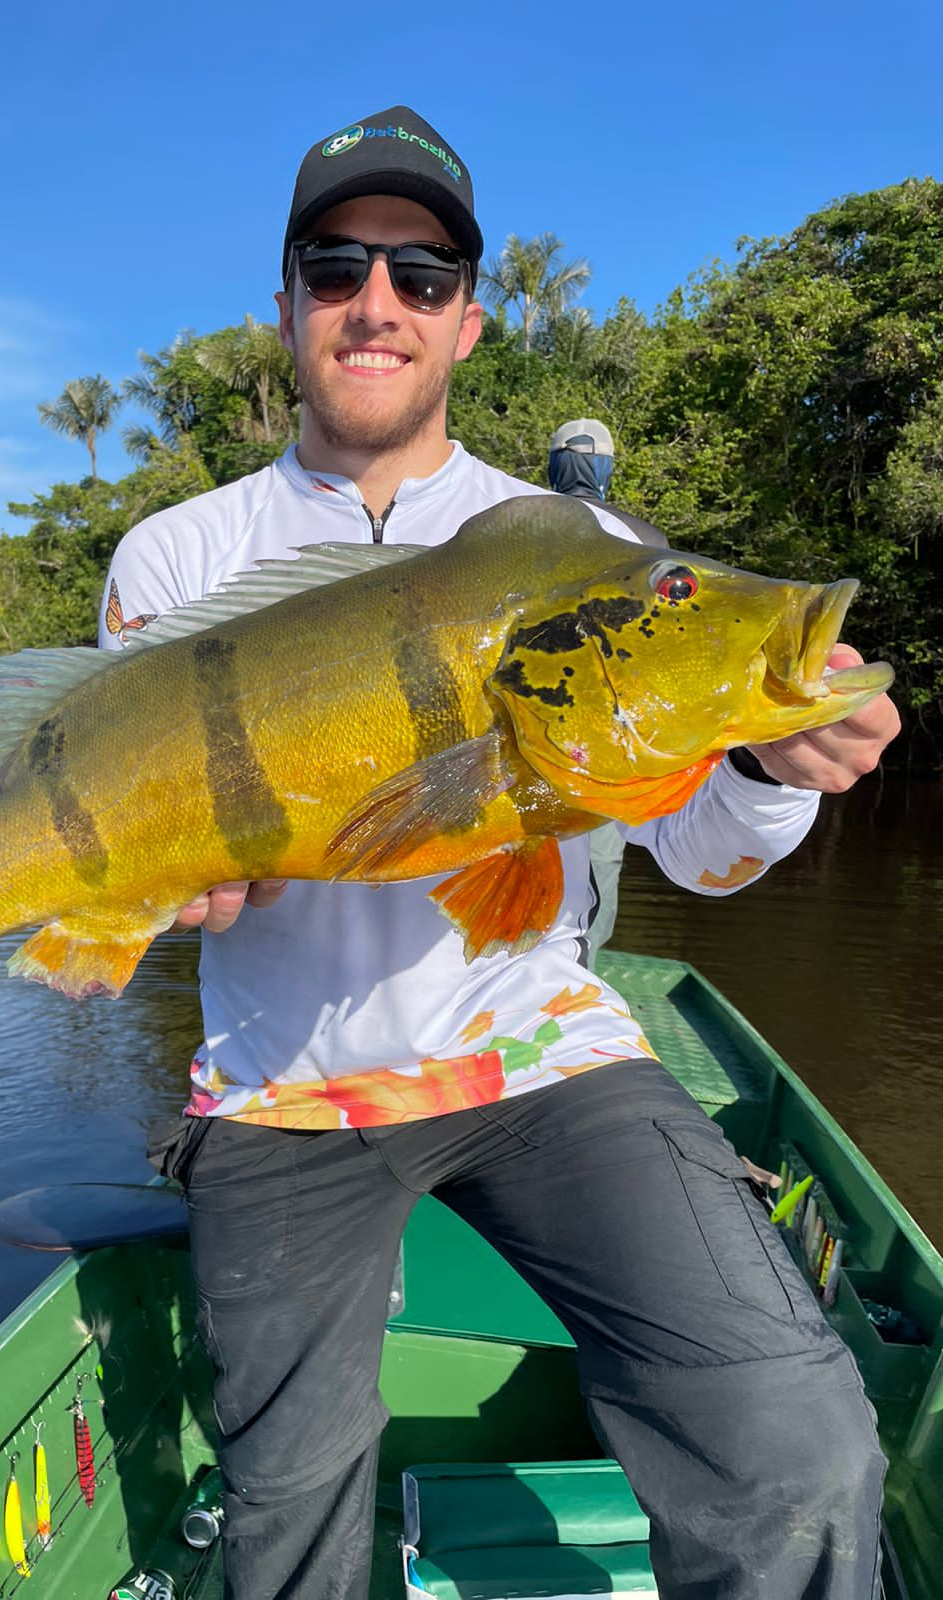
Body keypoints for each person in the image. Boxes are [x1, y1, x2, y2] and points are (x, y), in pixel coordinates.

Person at [101, 105, 899, 1600]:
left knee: (794, 1442)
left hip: (541, 1059)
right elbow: (161, 853)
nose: (376, 303)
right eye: (338, 266)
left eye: (421, 274)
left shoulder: (580, 547)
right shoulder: (178, 559)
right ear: (286, 307)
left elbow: (710, 851)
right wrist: (160, 889)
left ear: (471, 319)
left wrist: (780, 766)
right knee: (284, 1512)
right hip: (284, 1087)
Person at [547, 419, 667, 961]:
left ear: (555, 467)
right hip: (605, 752)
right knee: (593, 876)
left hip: (520, 738)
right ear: (605, 470)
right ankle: (580, 979)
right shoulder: (645, 541)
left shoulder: (522, 524)